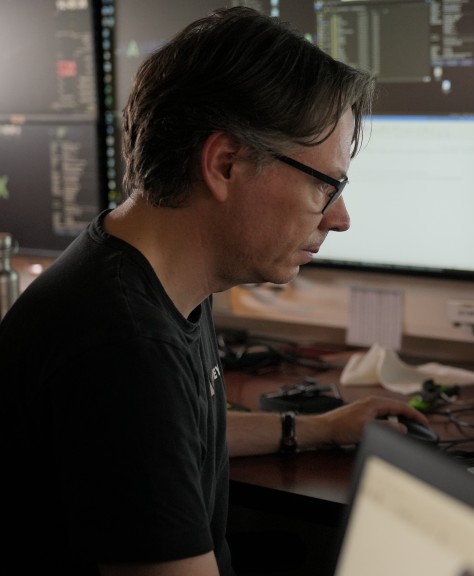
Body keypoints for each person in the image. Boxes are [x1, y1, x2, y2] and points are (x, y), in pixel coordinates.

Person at [0, 7, 428, 575]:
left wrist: (321, 428)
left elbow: (169, 444)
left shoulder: (144, 269)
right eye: (327, 185)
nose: (340, 218)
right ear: (226, 164)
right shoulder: (124, 349)